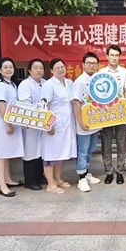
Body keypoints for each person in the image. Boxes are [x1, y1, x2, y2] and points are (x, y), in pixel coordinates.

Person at [41, 58, 76, 194]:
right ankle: (50, 184)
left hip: (66, 125)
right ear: (51, 71)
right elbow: (44, 106)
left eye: (62, 67)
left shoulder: (69, 83)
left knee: (61, 154)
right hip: (53, 126)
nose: (60, 69)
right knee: (50, 155)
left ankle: (58, 179)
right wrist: (48, 125)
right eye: (57, 68)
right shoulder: (48, 85)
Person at [98, 45, 126, 185]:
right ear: (107, 56)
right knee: (106, 143)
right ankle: (108, 172)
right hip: (106, 113)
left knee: (121, 143)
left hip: (120, 113)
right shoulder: (101, 72)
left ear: (119, 57)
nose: (114, 58)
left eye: (117, 55)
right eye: (112, 55)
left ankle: (120, 172)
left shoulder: (125, 72)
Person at [0, 57, 24, 197]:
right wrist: (8, 123)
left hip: (11, 123)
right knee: (1, 155)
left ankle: (8, 179)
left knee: (7, 155)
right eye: (5, 67)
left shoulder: (12, 85)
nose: (8, 69)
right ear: (0, 70)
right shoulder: (0, 86)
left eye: (11, 67)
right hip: (4, 125)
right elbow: (1, 106)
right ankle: (3, 187)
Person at [70, 52, 102, 192]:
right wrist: (81, 122)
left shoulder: (98, 79)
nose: (91, 66)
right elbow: (76, 103)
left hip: (95, 122)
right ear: (83, 65)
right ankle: (81, 178)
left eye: (94, 63)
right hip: (83, 124)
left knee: (90, 150)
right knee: (83, 151)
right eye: (89, 63)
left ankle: (87, 173)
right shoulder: (79, 82)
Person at [18, 58, 46, 191]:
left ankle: (40, 176)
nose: (39, 70)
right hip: (30, 123)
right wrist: (32, 118)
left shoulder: (45, 83)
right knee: (30, 152)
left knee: (40, 151)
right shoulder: (25, 84)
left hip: (42, 123)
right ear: (29, 70)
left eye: (41, 68)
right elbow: (25, 104)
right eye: (36, 68)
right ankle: (30, 181)